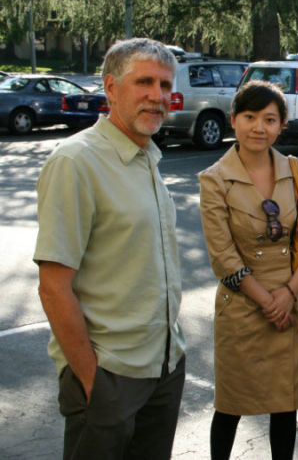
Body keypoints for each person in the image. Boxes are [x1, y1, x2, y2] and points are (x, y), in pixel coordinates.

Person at [34, 38, 186, 459]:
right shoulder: (76, 161)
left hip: (164, 368)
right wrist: (90, 378)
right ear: (111, 87)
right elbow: (53, 287)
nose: (157, 96)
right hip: (110, 375)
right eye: (144, 82)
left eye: (164, 84)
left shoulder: (148, 157)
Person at [198, 80, 298, 460]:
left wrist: (287, 294)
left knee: (286, 404)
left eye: (269, 119)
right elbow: (223, 257)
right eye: (250, 117)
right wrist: (268, 302)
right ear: (233, 120)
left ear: (282, 124)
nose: (259, 127)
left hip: (293, 300)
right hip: (242, 306)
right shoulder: (214, 179)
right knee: (231, 404)